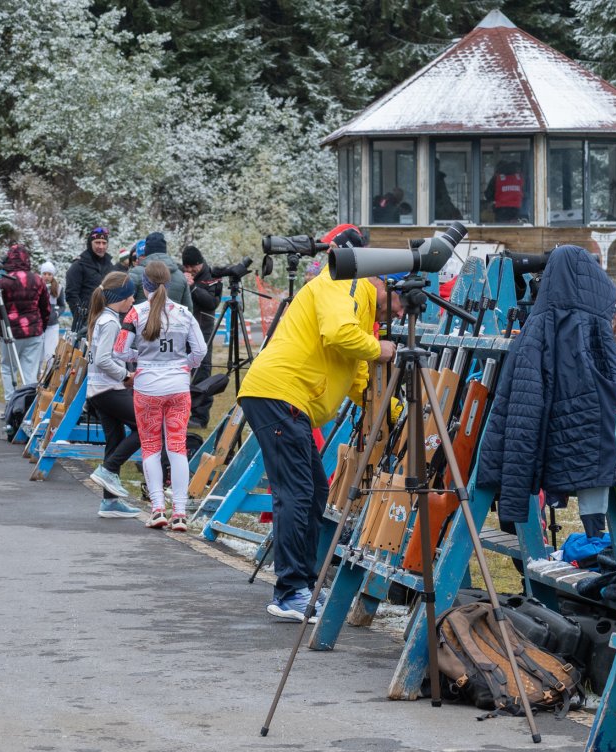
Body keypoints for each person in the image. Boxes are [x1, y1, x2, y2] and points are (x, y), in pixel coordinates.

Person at [237, 224, 402, 621]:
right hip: (280, 395)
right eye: (399, 305)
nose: (398, 313)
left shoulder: (361, 303)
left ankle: (302, 584)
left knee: (313, 494)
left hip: (288, 399)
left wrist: (397, 413)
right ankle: (291, 590)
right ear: (384, 282)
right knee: (295, 493)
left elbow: (358, 375)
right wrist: (380, 348)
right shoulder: (345, 280)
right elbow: (337, 333)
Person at [112, 261, 206, 532]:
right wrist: (183, 365)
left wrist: (139, 359)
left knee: (151, 447)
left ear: (144, 285)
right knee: (177, 448)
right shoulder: (185, 313)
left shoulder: (135, 314)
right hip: (178, 387)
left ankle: (157, 509)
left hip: (147, 388)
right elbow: (199, 351)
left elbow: (119, 351)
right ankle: (179, 512)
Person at [83, 271, 141, 519]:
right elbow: (105, 359)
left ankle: (109, 503)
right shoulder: (111, 322)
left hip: (98, 391)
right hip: (108, 390)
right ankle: (109, 468)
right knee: (147, 426)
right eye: (131, 296)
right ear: (121, 296)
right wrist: (125, 376)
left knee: (115, 439)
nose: (133, 301)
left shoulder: (103, 318)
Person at [0, 243, 52, 404]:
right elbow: (45, 308)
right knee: (30, 371)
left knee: (8, 368)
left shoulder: (3, 281)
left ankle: (10, 403)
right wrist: (42, 327)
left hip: (10, 331)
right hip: (33, 330)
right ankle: (27, 405)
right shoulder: (37, 280)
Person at [182, 245, 221, 428]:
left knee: (201, 372)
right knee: (181, 371)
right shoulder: (183, 274)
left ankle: (199, 417)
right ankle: (180, 412)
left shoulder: (212, 276)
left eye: (192, 267)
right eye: (186, 267)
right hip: (183, 329)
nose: (190, 270)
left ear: (200, 263)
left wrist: (192, 287)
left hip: (204, 329)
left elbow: (212, 302)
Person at [64, 226, 114, 335]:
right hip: (85, 321)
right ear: (90, 243)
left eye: (104, 243)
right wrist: (81, 317)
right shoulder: (78, 265)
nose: (101, 246)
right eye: (97, 242)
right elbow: (71, 294)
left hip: (107, 319)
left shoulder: (110, 266)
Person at [127, 231, 189, 308]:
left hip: (141, 319)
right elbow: (188, 309)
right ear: (164, 250)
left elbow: (123, 303)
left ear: (146, 251)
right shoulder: (180, 276)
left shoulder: (136, 272)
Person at [38, 260, 65, 364]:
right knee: (38, 355)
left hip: (52, 326)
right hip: (39, 326)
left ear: (52, 275)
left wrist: (56, 314)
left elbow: (62, 305)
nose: (47, 276)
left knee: (50, 354)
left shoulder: (58, 288)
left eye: (49, 274)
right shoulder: (36, 287)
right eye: (44, 274)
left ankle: (50, 378)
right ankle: (35, 378)